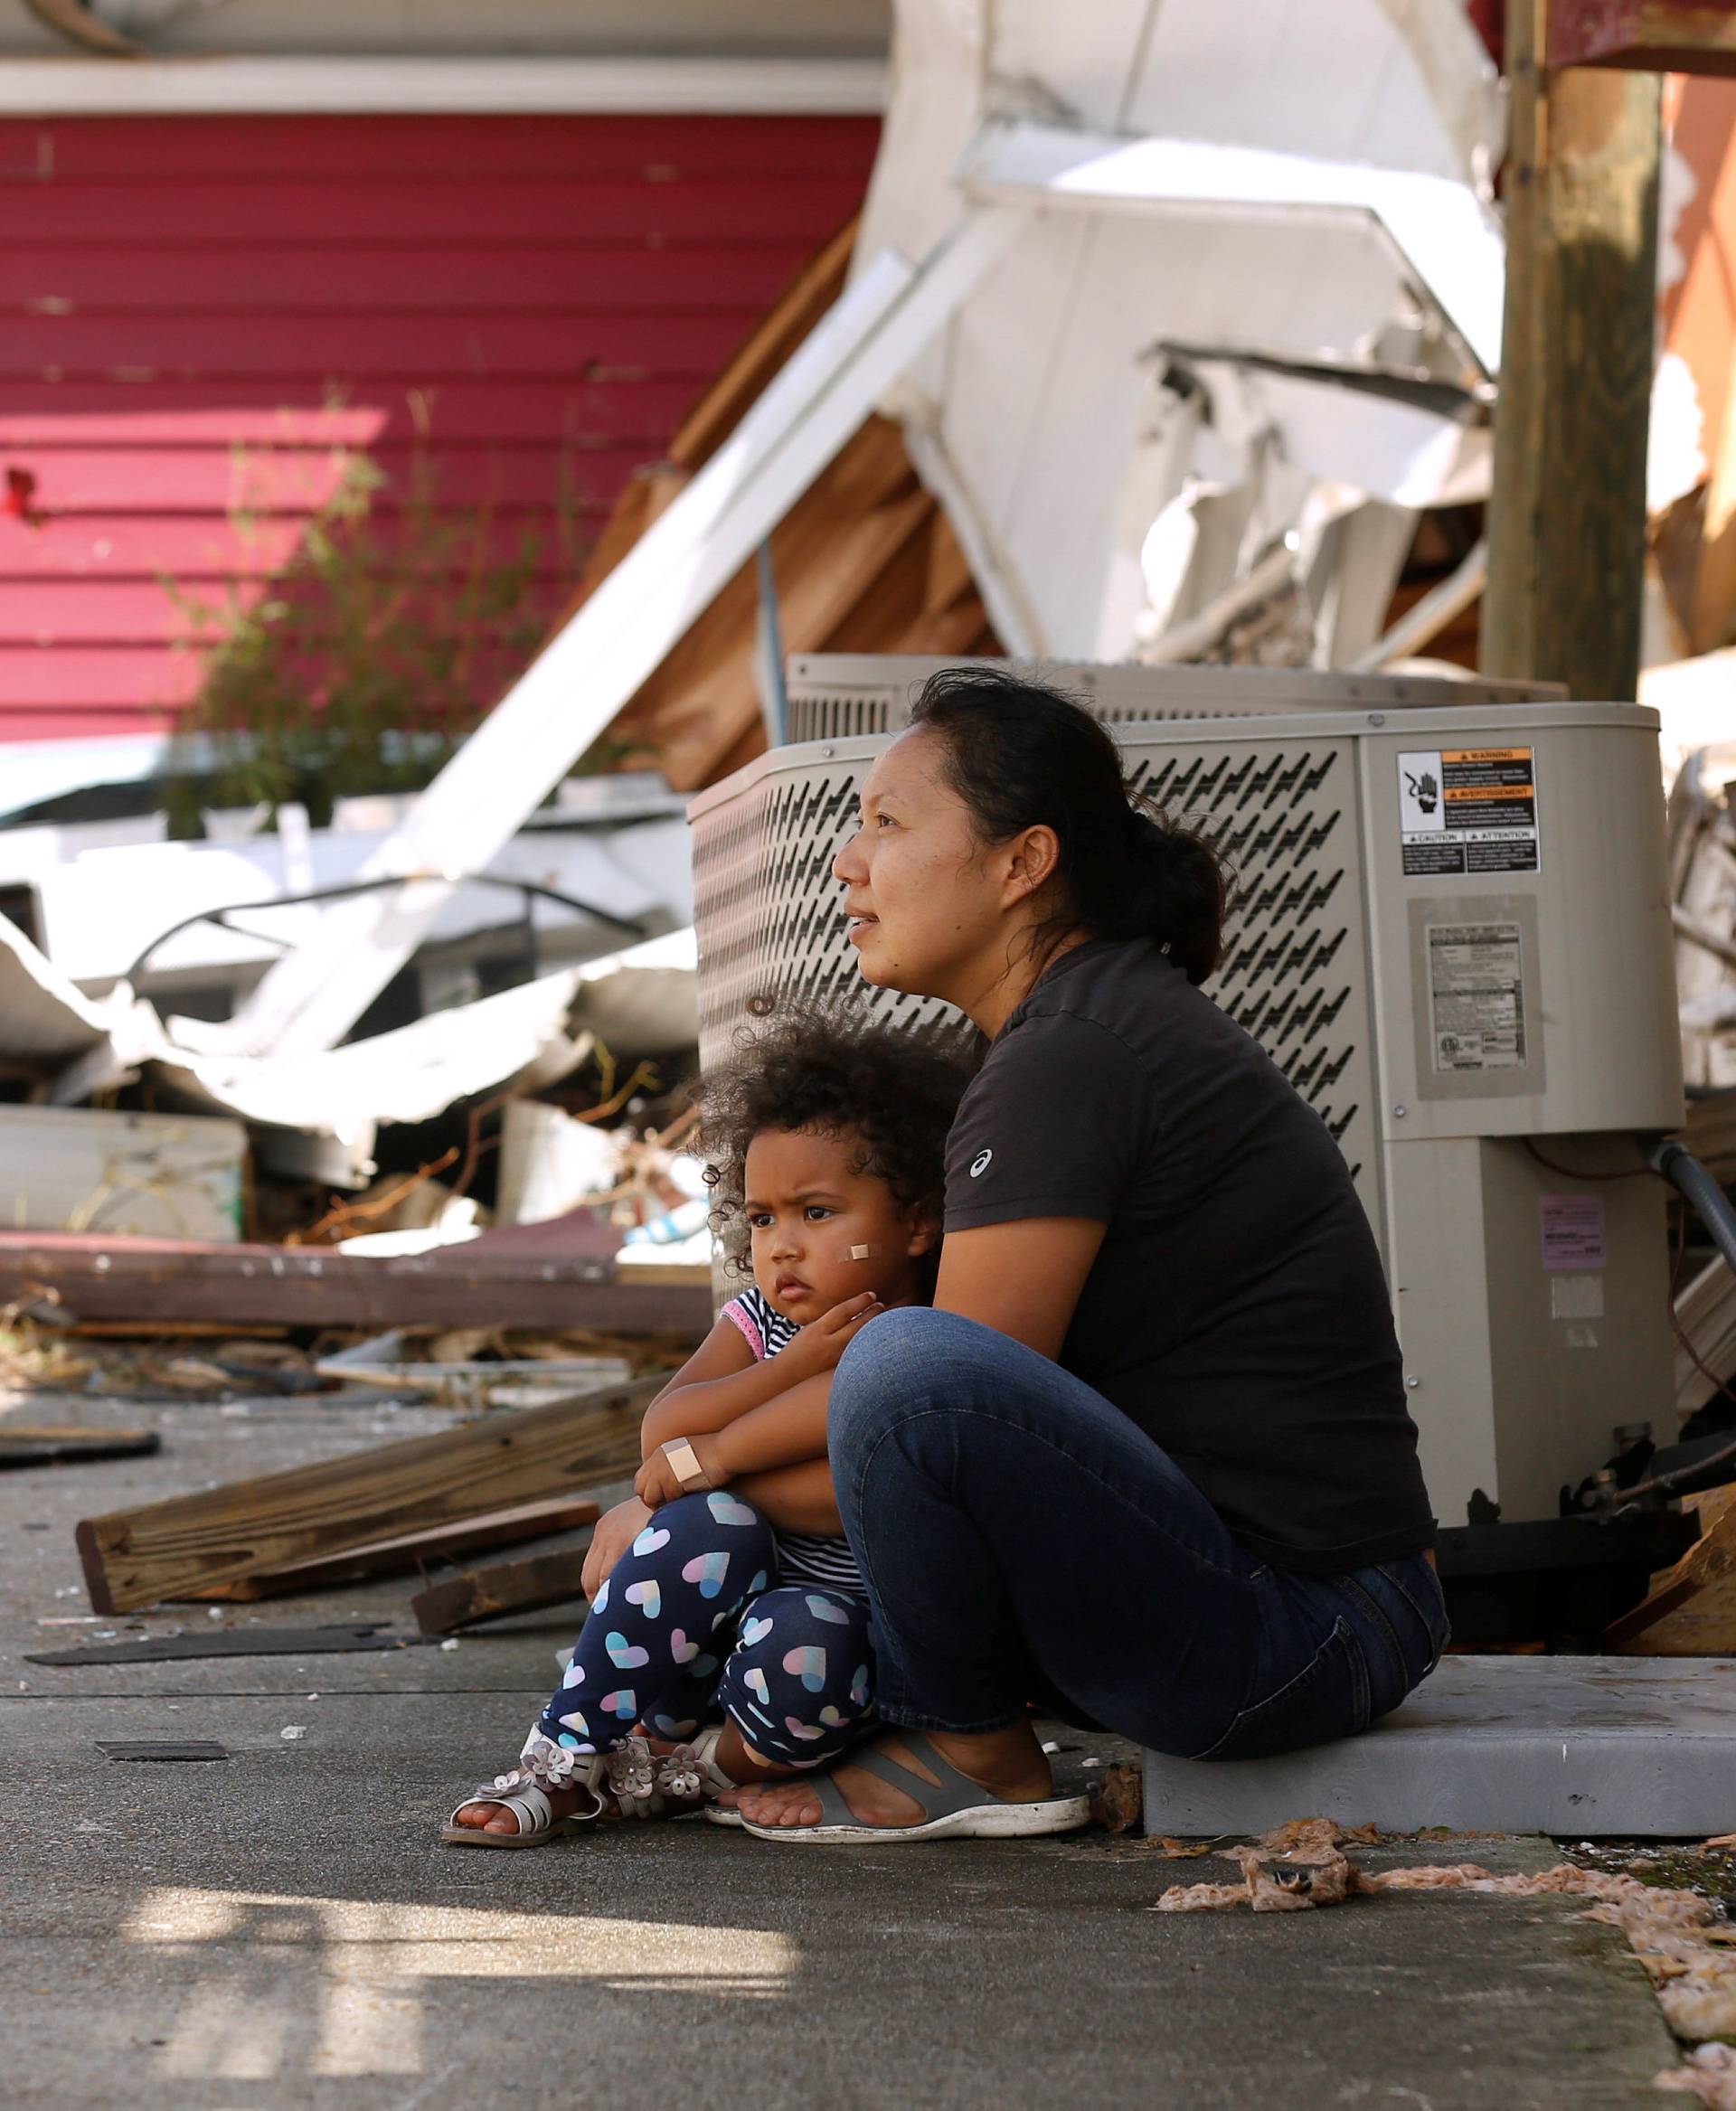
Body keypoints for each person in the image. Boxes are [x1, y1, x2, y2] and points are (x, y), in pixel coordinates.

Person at [723, 665, 1448, 1843]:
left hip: (1310, 1629)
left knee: (909, 1363)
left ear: (1022, 863)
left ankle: (968, 1743)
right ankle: (950, 1723)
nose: (848, 862)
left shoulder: (1074, 1050)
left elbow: (926, 1429)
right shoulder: (1072, 1028)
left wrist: (697, 1466)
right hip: (1292, 1607)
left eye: (889, 823)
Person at [443, 1008, 970, 1845]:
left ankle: (696, 1773)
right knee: (708, 1522)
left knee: (805, 1626)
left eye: (818, 1213)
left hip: (837, 1668)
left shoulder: (932, 1336)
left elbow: (848, 1493)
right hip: (711, 1638)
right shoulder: (763, 1323)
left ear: (916, 1220)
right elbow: (664, 1432)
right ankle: (567, 1756)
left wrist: (700, 1468)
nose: (782, 1247)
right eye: (762, 1218)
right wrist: (790, 1367)